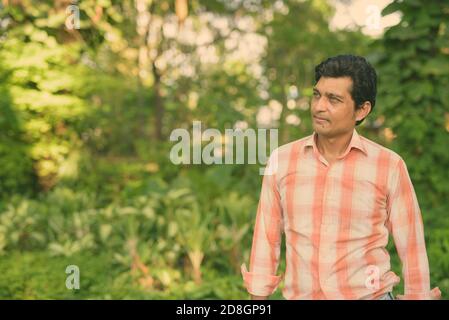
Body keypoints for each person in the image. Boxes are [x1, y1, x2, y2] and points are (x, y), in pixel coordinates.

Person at [241, 54, 441, 300]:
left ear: (361, 110)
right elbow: (266, 239)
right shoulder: (281, 161)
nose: (319, 106)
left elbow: (411, 246)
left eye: (333, 99)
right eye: (317, 95)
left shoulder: (389, 166)